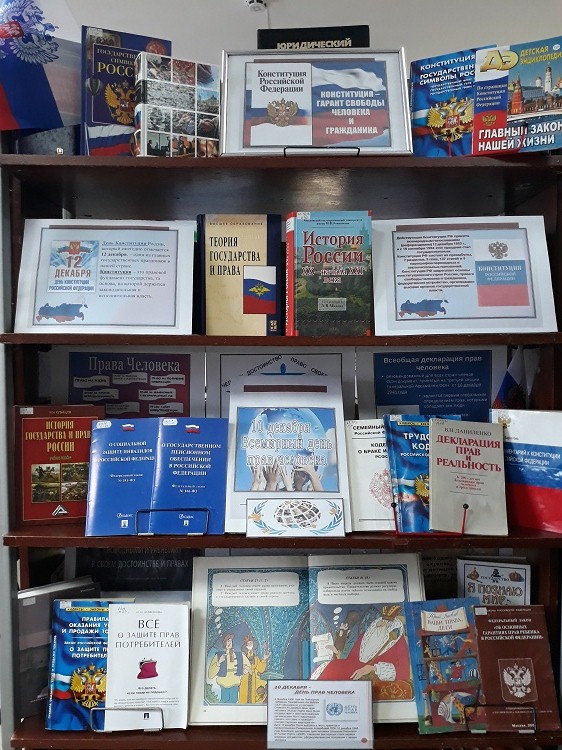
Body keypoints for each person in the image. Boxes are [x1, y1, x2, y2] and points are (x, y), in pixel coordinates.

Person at [310, 605, 412, 701]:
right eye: (382, 621)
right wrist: (337, 654)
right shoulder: (365, 636)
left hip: (371, 675)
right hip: (353, 669)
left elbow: (404, 672)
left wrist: (373, 668)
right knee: (329, 667)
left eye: (387, 623)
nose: (382, 625)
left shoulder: (397, 641)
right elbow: (351, 660)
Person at [207, 633, 242, 703]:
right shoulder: (219, 655)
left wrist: (245, 668)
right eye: (228, 641)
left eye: (231, 641)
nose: (230, 643)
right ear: (224, 643)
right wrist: (219, 662)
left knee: (234, 700)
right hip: (224, 681)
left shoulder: (238, 655)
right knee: (224, 699)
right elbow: (210, 674)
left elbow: (246, 665)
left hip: (235, 681)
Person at [238, 635, 270, 704]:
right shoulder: (242, 657)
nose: (250, 644)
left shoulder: (256, 658)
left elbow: (260, 669)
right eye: (248, 643)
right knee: (244, 697)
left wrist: (264, 659)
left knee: (253, 697)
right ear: (246, 646)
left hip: (253, 679)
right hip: (245, 679)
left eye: (251, 643)